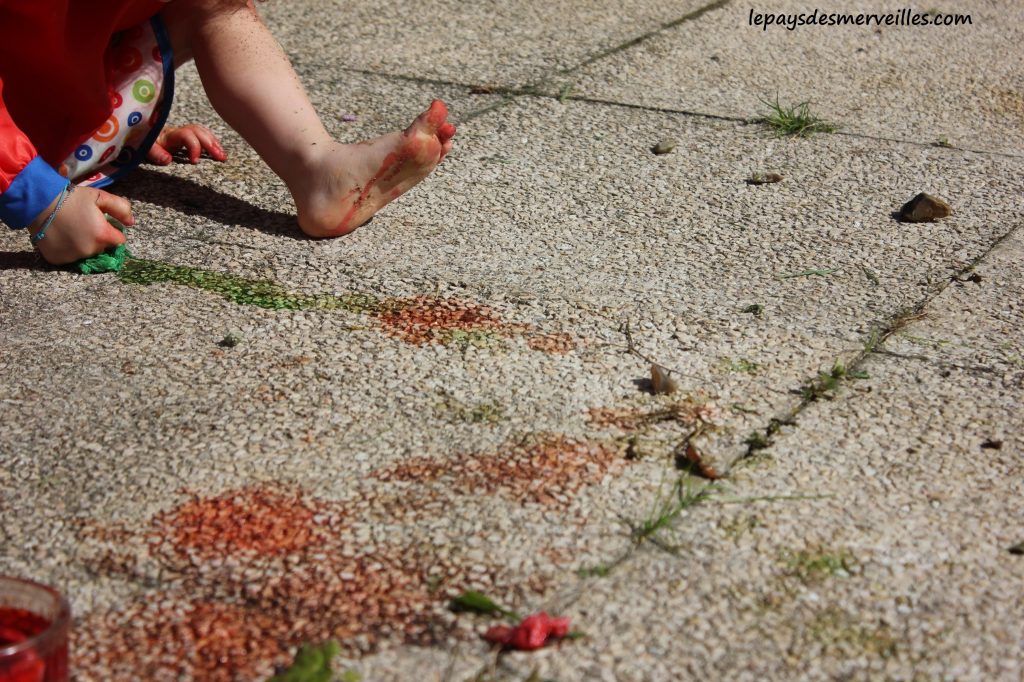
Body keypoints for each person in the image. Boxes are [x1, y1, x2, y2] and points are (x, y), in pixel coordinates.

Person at [0, 0, 456, 265]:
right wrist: (39, 201)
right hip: (19, 155)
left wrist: (118, 114)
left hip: (53, 106)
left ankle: (317, 166)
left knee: (214, 5)